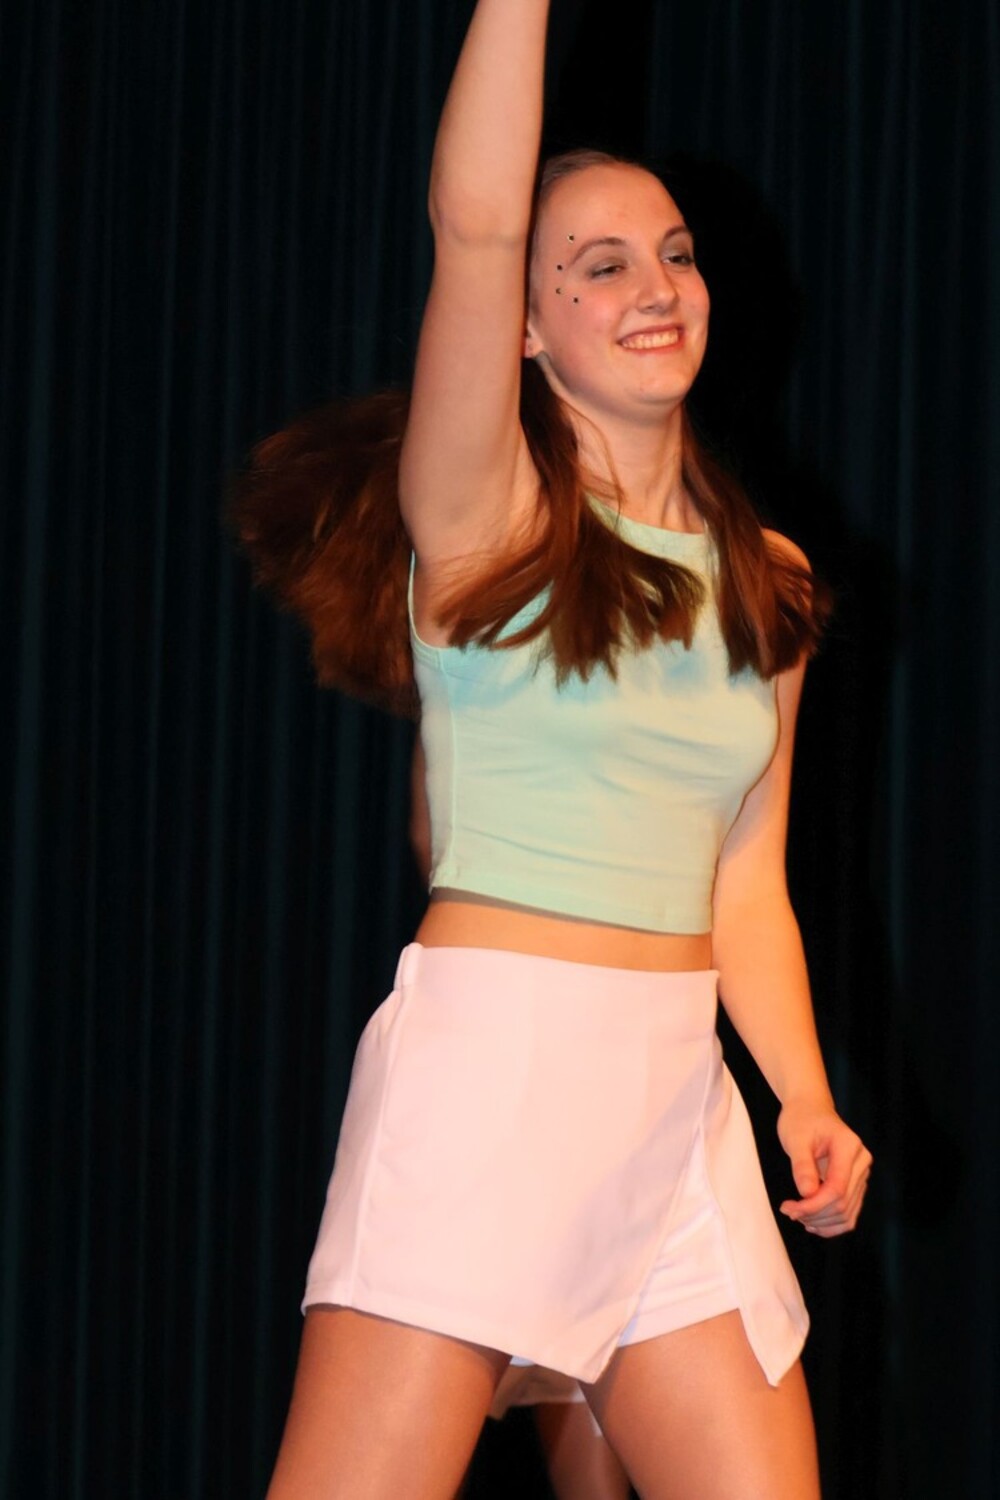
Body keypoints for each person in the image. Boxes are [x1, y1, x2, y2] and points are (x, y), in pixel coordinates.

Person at [232, 2, 872, 1495]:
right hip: (493, 1078)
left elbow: (745, 880)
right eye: (598, 265)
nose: (657, 287)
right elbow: (472, 225)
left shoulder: (769, 580)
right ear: (525, 325)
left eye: (675, 255)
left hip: (676, 1098)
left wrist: (802, 1092)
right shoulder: (484, 517)